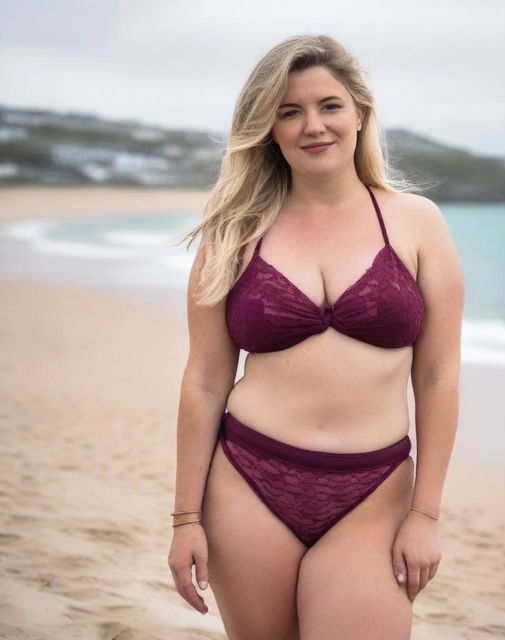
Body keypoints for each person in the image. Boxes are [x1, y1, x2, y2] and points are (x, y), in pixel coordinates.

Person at [168, 33, 464, 640]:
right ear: (268, 129)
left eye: (329, 105)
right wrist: (185, 519)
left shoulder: (416, 224)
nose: (313, 126)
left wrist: (426, 514)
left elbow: (437, 376)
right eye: (289, 111)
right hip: (248, 479)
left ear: (360, 112)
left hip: (375, 492)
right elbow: (204, 380)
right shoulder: (233, 233)